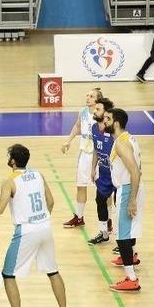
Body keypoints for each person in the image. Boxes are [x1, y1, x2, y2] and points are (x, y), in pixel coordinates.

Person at [0, 144, 70, 307]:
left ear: (13, 160)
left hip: (26, 231)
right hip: (45, 226)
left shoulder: (9, 181)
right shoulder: (38, 174)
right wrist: (41, 219)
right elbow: (51, 202)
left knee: (8, 274)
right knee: (53, 271)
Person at [104, 108, 146, 292]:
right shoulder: (127, 138)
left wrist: (132, 200)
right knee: (126, 231)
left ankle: (131, 278)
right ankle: (130, 258)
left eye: (107, 119)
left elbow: (135, 172)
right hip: (130, 187)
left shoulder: (121, 144)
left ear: (116, 123)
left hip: (128, 188)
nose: (104, 121)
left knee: (121, 235)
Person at [60, 87, 102, 228]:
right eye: (87, 95)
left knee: (103, 190)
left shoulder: (101, 114)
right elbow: (77, 126)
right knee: (81, 186)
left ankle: (108, 220)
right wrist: (68, 141)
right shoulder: (83, 111)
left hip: (98, 156)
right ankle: (79, 217)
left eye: (91, 96)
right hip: (84, 153)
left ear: (97, 100)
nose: (87, 98)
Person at [88, 97, 116, 245]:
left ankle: (122, 241)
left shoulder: (113, 131)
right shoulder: (94, 128)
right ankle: (104, 233)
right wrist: (93, 168)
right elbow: (95, 150)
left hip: (117, 175)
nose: (94, 110)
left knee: (120, 208)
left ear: (106, 113)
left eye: (98, 109)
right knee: (100, 200)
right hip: (103, 173)